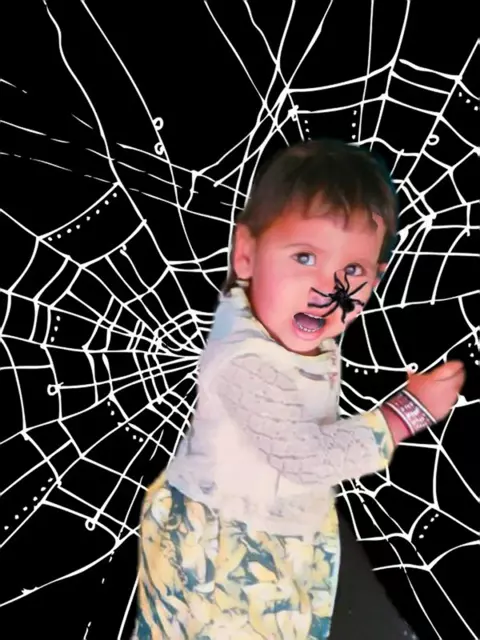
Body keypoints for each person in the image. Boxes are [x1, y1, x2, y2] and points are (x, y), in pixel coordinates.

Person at [132, 139, 465, 639]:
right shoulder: (244, 361)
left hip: (285, 533)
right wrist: (405, 413)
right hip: (222, 556)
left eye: (352, 271)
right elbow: (305, 458)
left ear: (377, 278)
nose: (326, 290)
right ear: (245, 255)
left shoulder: (288, 320)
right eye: (304, 256)